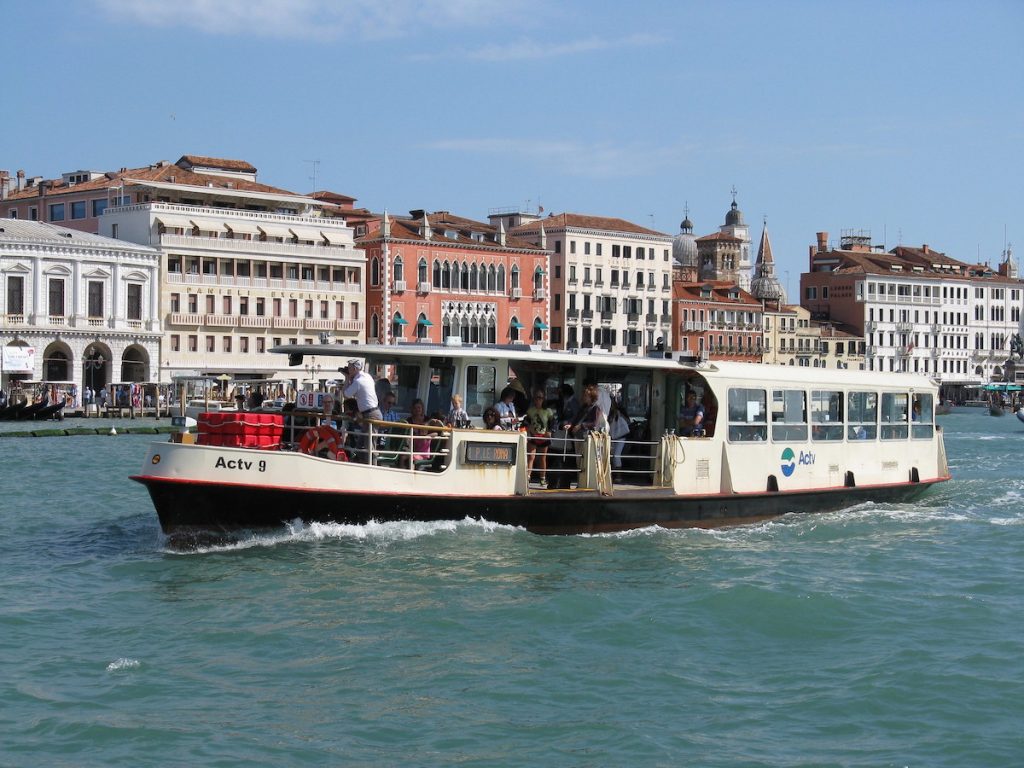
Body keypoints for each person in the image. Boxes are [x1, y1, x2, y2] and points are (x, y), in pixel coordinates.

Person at [525, 389, 555, 487]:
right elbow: (525, 422)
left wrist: (549, 432)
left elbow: (552, 423)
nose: (538, 400)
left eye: (540, 398)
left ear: (543, 399)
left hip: (544, 436)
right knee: (531, 457)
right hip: (533, 435)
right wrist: (529, 429)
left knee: (542, 458)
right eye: (536, 398)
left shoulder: (548, 411)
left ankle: (542, 478)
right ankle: (527, 477)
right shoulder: (531, 410)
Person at [608, 399, 631, 478]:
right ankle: (614, 475)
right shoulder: (613, 413)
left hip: (618, 437)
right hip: (616, 436)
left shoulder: (617, 413)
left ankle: (618, 476)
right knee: (613, 456)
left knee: (616, 455)